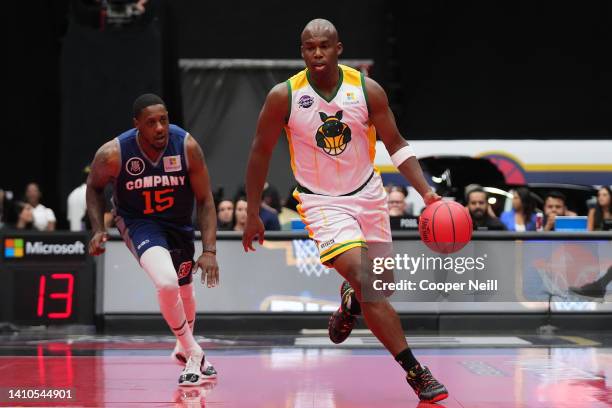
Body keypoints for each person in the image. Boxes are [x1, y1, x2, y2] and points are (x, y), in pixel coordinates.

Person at [241, 19, 448, 403]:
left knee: (381, 286)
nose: (316, 53)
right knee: (365, 277)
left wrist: (427, 192)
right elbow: (259, 154)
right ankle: (415, 371)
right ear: (301, 51)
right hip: (321, 202)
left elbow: (397, 144)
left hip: (368, 193)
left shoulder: (366, 90)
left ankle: (350, 304)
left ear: (339, 48)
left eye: (324, 46)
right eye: (308, 47)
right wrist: (253, 212)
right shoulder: (284, 96)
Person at [86, 94, 219, 386]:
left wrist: (209, 250)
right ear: (137, 126)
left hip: (179, 224)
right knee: (167, 282)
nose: (159, 128)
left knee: (184, 286)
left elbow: (205, 199)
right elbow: (94, 187)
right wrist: (97, 228)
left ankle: (183, 350)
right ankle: (192, 349)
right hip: (139, 222)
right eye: (151, 123)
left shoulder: (186, 146)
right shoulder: (114, 153)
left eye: (163, 120)